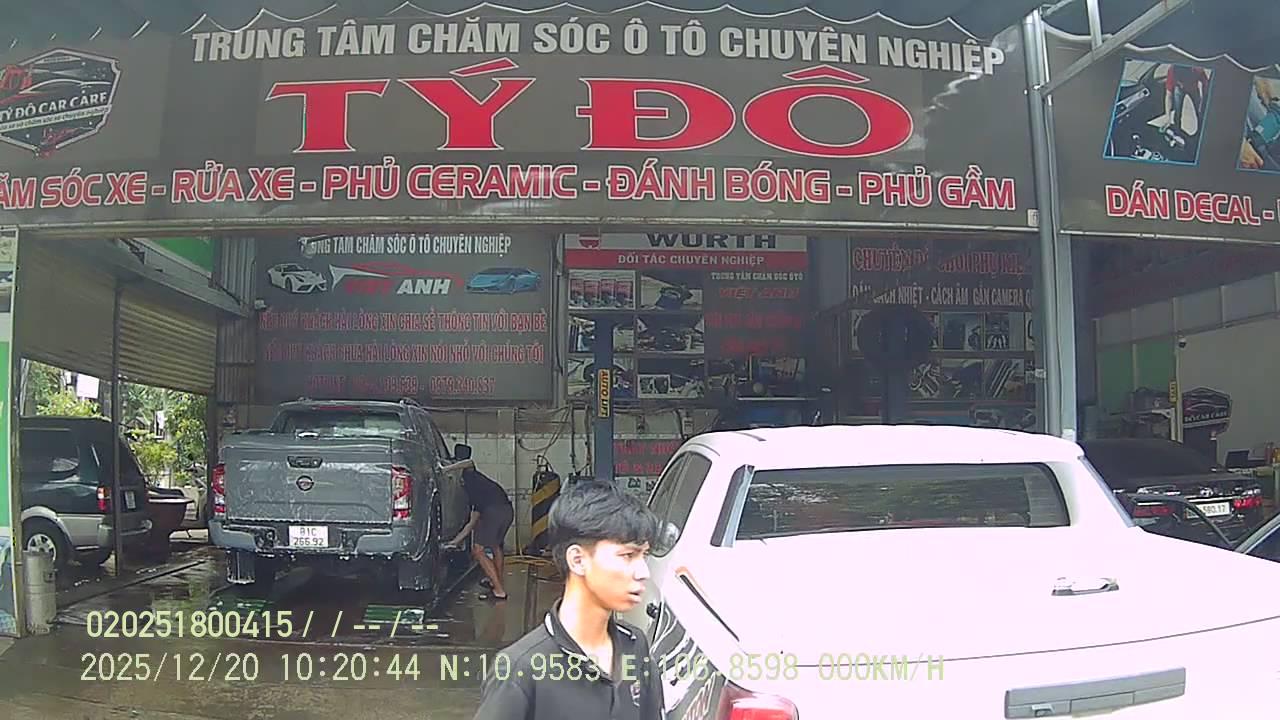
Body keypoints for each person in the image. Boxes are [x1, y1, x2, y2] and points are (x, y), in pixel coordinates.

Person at [472, 480, 665, 720]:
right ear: (577, 560)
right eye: (628, 555)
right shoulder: (519, 670)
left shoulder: (635, 645)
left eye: (644, 555)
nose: (644, 571)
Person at [444, 446, 515, 601]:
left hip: (494, 512)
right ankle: (495, 581)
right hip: (507, 510)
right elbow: (472, 522)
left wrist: (446, 469)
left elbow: (468, 462)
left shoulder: (469, 473)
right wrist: (455, 542)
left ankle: (499, 590)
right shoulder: (478, 486)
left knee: (478, 551)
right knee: (496, 546)